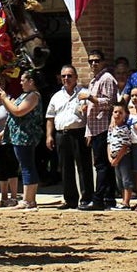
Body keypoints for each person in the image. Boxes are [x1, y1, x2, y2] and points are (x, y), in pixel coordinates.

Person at [45, 64, 93, 210]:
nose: (66, 78)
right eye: (64, 76)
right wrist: (49, 136)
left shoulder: (84, 93)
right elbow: (50, 117)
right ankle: (70, 199)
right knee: (65, 168)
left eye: (70, 75)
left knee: (84, 167)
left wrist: (89, 132)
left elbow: (91, 115)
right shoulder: (56, 96)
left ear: (76, 78)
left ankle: (86, 199)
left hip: (79, 133)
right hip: (62, 134)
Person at [0, 71, 43, 210]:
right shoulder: (24, 95)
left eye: (23, 80)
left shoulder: (33, 96)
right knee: (25, 166)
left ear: (31, 81)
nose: (20, 83)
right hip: (17, 136)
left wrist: (5, 98)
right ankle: (29, 199)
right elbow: (13, 117)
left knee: (27, 166)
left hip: (25, 136)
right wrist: (4, 133)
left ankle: (28, 200)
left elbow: (18, 111)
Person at [84, 50, 118, 210]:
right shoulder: (94, 81)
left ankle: (98, 199)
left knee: (101, 166)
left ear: (103, 62)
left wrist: (89, 98)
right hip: (95, 128)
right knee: (104, 165)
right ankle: (108, 199)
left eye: (96, 61)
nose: (93, 64)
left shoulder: (107, 78)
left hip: (103, 127)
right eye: (90, 61)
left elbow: (110, 102)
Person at [106, 103, 134, 209]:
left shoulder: (125, 128)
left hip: (123, 157)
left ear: (125, 115)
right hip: (113, 157)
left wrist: (117, 158)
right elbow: (109, 143)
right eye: (115, 112)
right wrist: (110, 157)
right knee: (119, 181)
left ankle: (126, 202)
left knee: (126, 179)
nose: (117, 115)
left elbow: (125, 145)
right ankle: (123, 201)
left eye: (120, 113)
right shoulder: (111, 129)